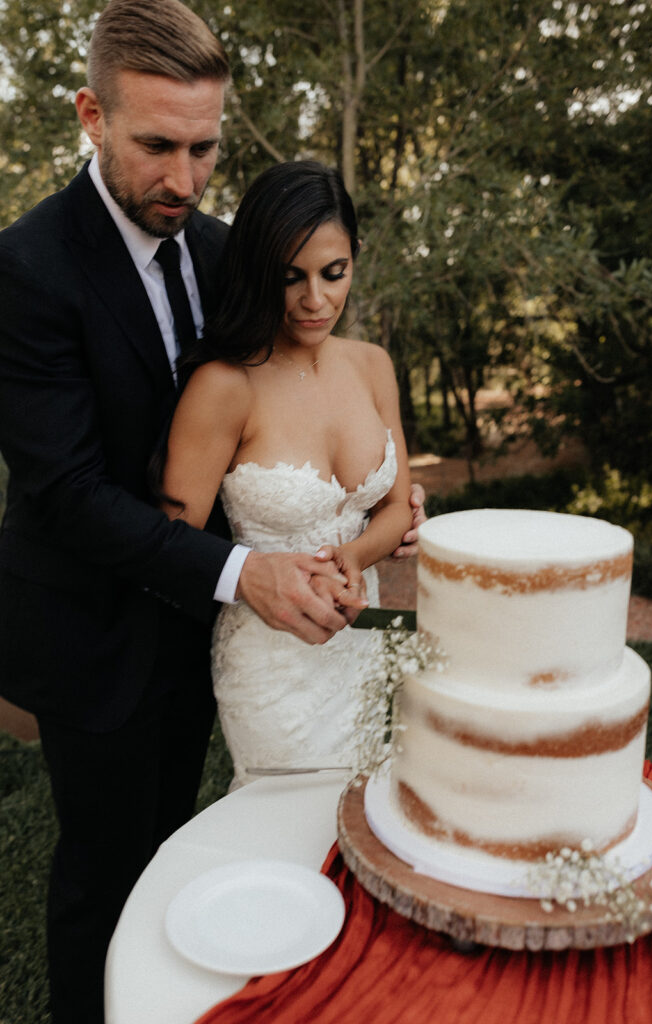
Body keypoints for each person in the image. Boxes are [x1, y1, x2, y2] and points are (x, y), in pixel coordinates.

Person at [0, 2, 426, 1021]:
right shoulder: (26, 269)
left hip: (206, 633)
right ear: (90, 116)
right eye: (156, 145)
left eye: (204, 147)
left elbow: (281, 395)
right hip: (91, 630)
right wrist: (247, 573)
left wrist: (371, 497)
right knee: (102, 875)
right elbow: (64, 495)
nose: (184, 180)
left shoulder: (226, 250)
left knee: (186, 848)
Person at [162, 160, 413, 786]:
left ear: (354, 256)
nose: (315, 299)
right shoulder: (223, 386)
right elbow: (170, 544)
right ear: (258, 272)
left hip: (362, 641)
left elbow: (397, 506)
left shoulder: (372, 365)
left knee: (365, 820)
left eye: (334, 273)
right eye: (290, 277)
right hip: (270, 663)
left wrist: (354, 557)